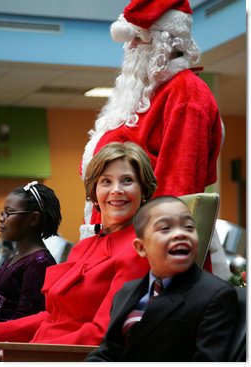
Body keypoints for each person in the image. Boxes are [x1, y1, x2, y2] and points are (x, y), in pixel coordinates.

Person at [80, 0, 223, 272]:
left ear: (162, 42)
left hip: (147, 261)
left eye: (136, 39)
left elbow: (178, 190)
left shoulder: (187, 95)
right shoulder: (142, 97)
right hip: (114, 249)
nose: (129, 47)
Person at [0, 142, 156, 350]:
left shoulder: (139, 250)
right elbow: (51, 317)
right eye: (106, 181)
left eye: (127, 181)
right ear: (94, 192)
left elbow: (102, 333)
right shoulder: (84, 247)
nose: (116, 190)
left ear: (143, 190)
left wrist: (28, 354)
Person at [86, 196, 238, 362]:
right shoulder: (126, 291)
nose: (180, 234)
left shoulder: (215, 295)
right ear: (141, 247)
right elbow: (110, 350)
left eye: (189, 227)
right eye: (165, 228)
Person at [0, 181, 61, 322]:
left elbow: (25, 321)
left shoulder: (39, 263)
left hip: (9, 342)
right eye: (2, 213)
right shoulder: (12, 259)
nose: (2, 219)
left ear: (33, 219)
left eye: (9, 212)